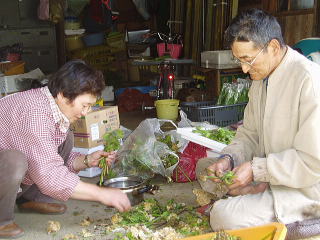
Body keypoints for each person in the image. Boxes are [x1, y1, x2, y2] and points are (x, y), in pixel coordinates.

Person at [196, 8, 320, 235]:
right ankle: (255, 194)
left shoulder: (309, 81)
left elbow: (312, 162)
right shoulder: (261, 78)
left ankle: (306, 224)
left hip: (306, 190)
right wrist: (229, 159)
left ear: (272, 47)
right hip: (273, 178)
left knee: (224, 216)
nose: (243, 68)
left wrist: (255, 170)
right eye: (239, 60)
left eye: (247, 59)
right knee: (205, 168)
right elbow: (249, 133)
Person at [0, 60, 131, 239]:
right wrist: (102, 194)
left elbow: (53, 157)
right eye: (84, 105)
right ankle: (2, 220)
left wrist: (86, 160)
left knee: (65, 138)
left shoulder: (52, 104)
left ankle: (28, 199)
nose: (86, 112)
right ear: (63, 95)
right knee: (14, 162)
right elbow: (49, 175)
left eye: (90, 106)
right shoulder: (36, 114)